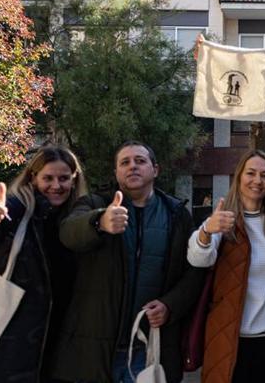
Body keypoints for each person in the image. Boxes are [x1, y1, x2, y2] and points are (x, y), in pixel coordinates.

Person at [49, 141, 203, 383]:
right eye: (125, 162)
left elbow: (194, 272)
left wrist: (170, 305)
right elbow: (68, 234)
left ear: (156, 169)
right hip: (94, 349)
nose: (132, 167)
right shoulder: (94, 204)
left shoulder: (177, 215)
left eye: (140, 161)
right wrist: (99, 222)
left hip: (149, 349)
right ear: (116, 173)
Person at [0, 145, 88, 382]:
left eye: (64, 178)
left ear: (74, 181)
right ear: (33, 178)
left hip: (54, 343)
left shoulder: (76, 218)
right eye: (48, 178)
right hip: (2, 341)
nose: (56, 185)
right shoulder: (16, 209)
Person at [187, 150, 265, 383]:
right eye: (251, 173)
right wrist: (207, 231)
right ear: (239, 177)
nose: (257, 181)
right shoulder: (222, 220)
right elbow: (198, 259)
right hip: (229, 332)